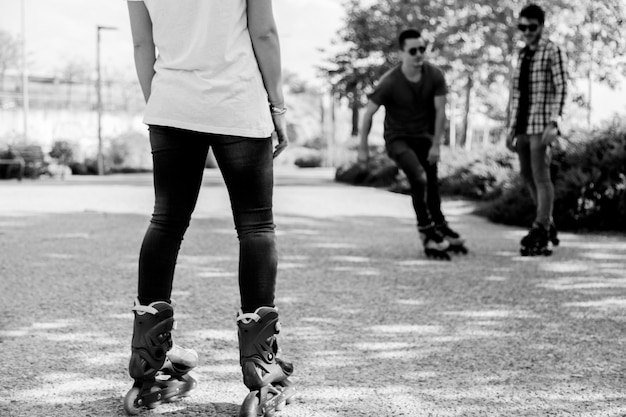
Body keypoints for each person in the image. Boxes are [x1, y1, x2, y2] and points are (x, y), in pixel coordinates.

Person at [123, 1, 295, 415]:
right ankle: (259, 361)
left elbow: (143, 42)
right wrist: (279, 107)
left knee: (165, 222)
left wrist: (162, 103)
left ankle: (148, 355)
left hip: (171, 105)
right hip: (235, 101)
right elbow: (265, 35)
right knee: (255, 226)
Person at [359, 29, 466, 260]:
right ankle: (426, 231)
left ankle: (440, 225)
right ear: (401, 53)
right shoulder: (390, 82)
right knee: (418, 177)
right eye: (413, 51)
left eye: (422, 49)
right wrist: (363, 148)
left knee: (432, 184)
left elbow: (440, 112)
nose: (419, 54)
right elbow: (368, 114)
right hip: (398, 139)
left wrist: (437, 145)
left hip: (425, 139)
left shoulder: (434, 75)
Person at [506, 4, 568, 256]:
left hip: (541, 124)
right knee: (527, 176)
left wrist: (555, 123)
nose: (527, 32)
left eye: (532, 27)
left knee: (541, 177)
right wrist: (509, 129)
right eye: (523, 27)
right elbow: (516, 96)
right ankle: (548, 222)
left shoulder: (553, 50)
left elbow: (562, 87)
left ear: (541, 26)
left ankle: (541, 227)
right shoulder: (521, 55)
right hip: (521, 125)